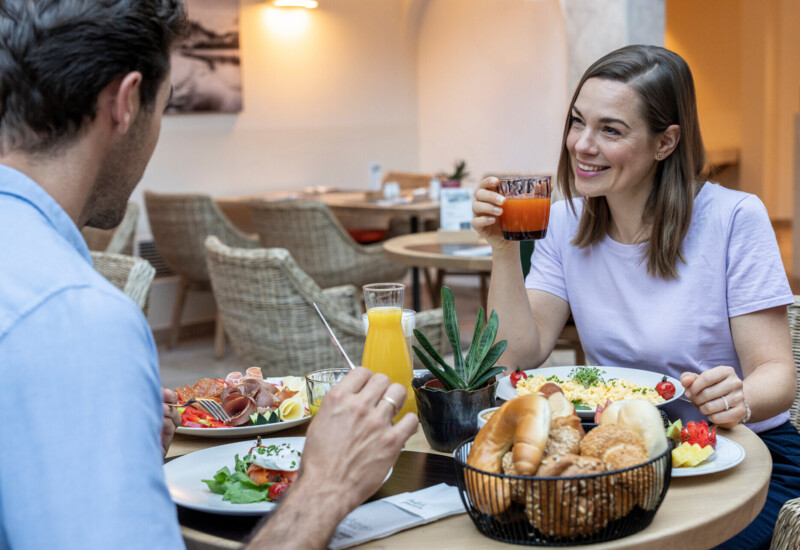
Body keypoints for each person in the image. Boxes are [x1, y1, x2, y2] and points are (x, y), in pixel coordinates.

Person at [0, 2, 417, 549]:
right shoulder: (80, 318)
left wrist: (118, 456)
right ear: (125, 103)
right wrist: (325, 487)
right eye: (164, 108)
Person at [472, 44, 800, 549]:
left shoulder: (735, 218)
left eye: (611, 129)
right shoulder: (562, 221)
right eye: (577, 121)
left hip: (738, 453)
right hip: (619, 451)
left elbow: (778, 377)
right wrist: (503, 250)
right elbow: (519, 355)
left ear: (665, 142)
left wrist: (738, 397)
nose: (581, 144)